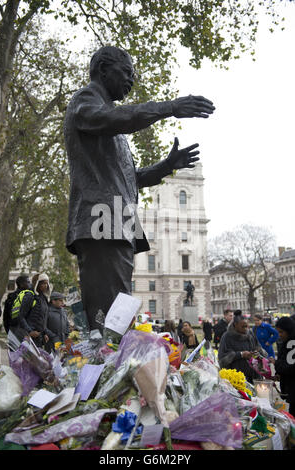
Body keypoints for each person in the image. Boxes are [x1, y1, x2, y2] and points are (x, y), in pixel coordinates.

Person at [64, 45, 215, 332]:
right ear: (103, 69)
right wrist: (168, 107)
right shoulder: (87, 101)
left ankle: (115, 366)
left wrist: (167, 166)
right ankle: (106, 369)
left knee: (117, 312)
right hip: (102, 218)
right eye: (127, 72)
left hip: (116, 220)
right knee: (109, 318)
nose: (132, 80)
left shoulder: (108, 120)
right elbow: (116, 118)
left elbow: (129, 178)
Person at [218, 311, 266, 383]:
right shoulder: (227, 336)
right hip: (236, 378)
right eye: (243, 327)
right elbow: (222, 359)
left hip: (254, 375)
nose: (246, 329)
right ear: (235, 325)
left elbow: (258, 347)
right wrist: (240, 354)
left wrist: (257, 352)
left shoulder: (250, 333)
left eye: (247, 326)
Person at [17, 273, 52, 348]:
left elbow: (43, 318)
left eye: (47, 283)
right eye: (43, 283)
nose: (46, 285)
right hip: (29, 338)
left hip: (39, 338)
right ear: (37, 283)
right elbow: (21, 316)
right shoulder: (30, 296)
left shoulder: (44, 298)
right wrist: (29, 332)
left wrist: (45, 333)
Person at [269, 317, 295, 418]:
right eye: (278, 332)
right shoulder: (288, 341)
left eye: (281, 332)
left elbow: (290, 367)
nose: (279, 335)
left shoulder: (292, 343)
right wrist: (279, 375)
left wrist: (276, 363)